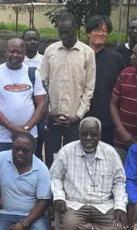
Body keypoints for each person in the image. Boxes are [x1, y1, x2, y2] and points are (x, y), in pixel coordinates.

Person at [51, 117, 128, 230]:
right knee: (70, 227)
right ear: (79, 134)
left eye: (93, 135)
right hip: (75, 203)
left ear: (100, 134)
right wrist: (59, 197)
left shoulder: (110, 153)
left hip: (104, 205)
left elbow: (119, 181)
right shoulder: (67, 151)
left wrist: (120, 206)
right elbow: (55, 176)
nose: (88, 138)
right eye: (84, 134)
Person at [41, 13, 96, 167]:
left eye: (68, 32)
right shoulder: (50, 51)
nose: (64, 36)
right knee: (52, 159)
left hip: (74, 120)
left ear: (76, 30)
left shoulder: (87, 53)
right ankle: (51, 190)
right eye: (61, 32)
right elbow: (43, 83)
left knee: (73, 159)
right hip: (53, 119)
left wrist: (78, 116)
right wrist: (50, 111)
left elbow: (89, 88)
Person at [0, 38, 46, 154]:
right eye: (12, 51)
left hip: (29, 136)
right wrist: (12, 127)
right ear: (5, 52)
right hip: (2, 138)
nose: (15, 55)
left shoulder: (33, 73)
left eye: (19, 52)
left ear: (24, 53)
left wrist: (26, 128)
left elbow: (41, 104)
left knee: (27, 170)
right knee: (3, 170)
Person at [85, 15, 125, 145]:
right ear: (88, 33)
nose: (101, 34)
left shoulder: (116, 59)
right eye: (96, 30)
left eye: (105, 31)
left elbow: (121, 91)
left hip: (107, 121)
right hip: (79, 119)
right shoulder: (78, 56)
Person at [22, 28, 46, 158]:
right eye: (28, 39)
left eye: (35, 39)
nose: (32, 42)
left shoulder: (45, 61)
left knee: (38, 145)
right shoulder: (17, 61)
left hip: (41, 110)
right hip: (24, 109)